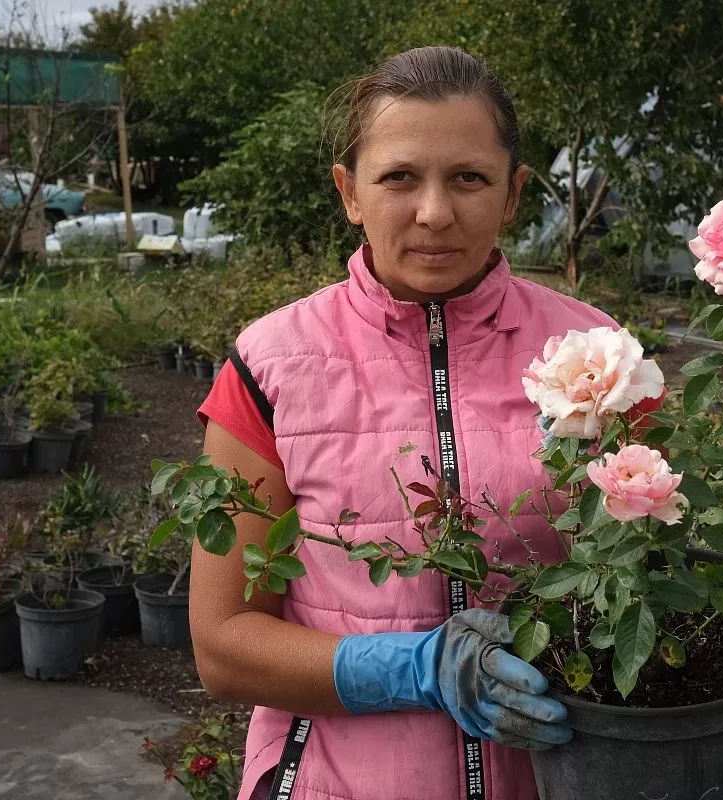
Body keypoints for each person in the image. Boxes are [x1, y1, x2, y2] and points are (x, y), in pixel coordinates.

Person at [193, 46, 655, 800]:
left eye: (469, 178)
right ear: (349, 192)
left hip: (557, 778)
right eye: (399, 177)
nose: (434, 212)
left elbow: (659, 581)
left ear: (513, 195)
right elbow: (223, 646)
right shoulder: (270, 366)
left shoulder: (601, 359)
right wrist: (409, 670)